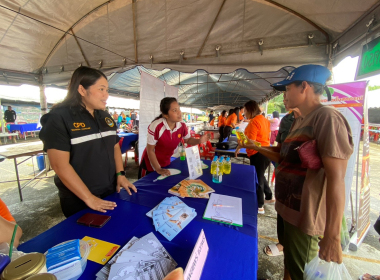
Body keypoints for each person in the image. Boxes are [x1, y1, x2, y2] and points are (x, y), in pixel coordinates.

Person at [240, 64, 353, 280]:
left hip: (308, 217)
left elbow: (337, 179)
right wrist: (256, 147)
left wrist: (332, 236)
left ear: (304, 87)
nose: (284, 95)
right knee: (290, 262)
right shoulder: (298, 120)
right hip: (288, 210)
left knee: (303, 272)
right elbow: (285, 158)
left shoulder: (327, 118)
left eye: (288, 88)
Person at [39, 66, 137, 218]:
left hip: (109, 190)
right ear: (82, 90)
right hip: (79, 198)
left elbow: (114, 146)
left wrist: (120, 174)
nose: (106, 95)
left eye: (107, 90)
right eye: (101, 89)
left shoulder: (105, 117)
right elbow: (60, 165)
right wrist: (89, 198)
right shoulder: (59, 118)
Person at [139, 97, 210, 179]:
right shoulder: (156, 126)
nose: (179, 113)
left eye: (179, 109)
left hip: (166, 163)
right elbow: (150, 150)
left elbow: (188, 140)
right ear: (166, 115)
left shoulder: (182, 125)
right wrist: (158, 169)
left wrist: (199, 140)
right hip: (150, 165)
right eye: (174, 110)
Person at [235, 101, 272, 214]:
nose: (244, 113)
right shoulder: (265, 120)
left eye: (245, 111)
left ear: (250, 110)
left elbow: (251, 142)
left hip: (257, 154)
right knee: (260, 175)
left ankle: (259, 205)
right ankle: (269, 195)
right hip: (266, 151)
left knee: (258, 179)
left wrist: (240, 144)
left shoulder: (254, 122)